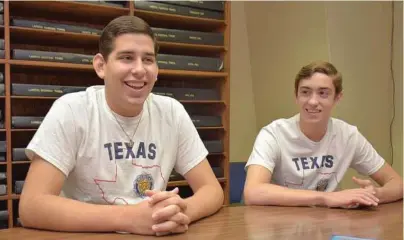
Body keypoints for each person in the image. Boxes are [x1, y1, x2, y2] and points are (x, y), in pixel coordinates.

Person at [19, 15, 224, 236]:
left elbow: (212, 190)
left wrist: (180, 212)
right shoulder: (71, 110)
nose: (139, 70)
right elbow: (32, 206)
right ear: (101, 66)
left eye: (148, 59)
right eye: (126, 58)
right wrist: (129, 218)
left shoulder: (171, 112)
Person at [243, 61, 403, 208]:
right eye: (305, 92)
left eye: (323, 93)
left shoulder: (348, 136)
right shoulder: (273, 134)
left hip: (327, 224)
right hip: (279, 225)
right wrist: (325, 198)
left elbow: (397, 184)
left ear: (337, 98)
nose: (312, 101)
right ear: (296, 96)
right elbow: (253, 192)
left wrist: (374, 195)